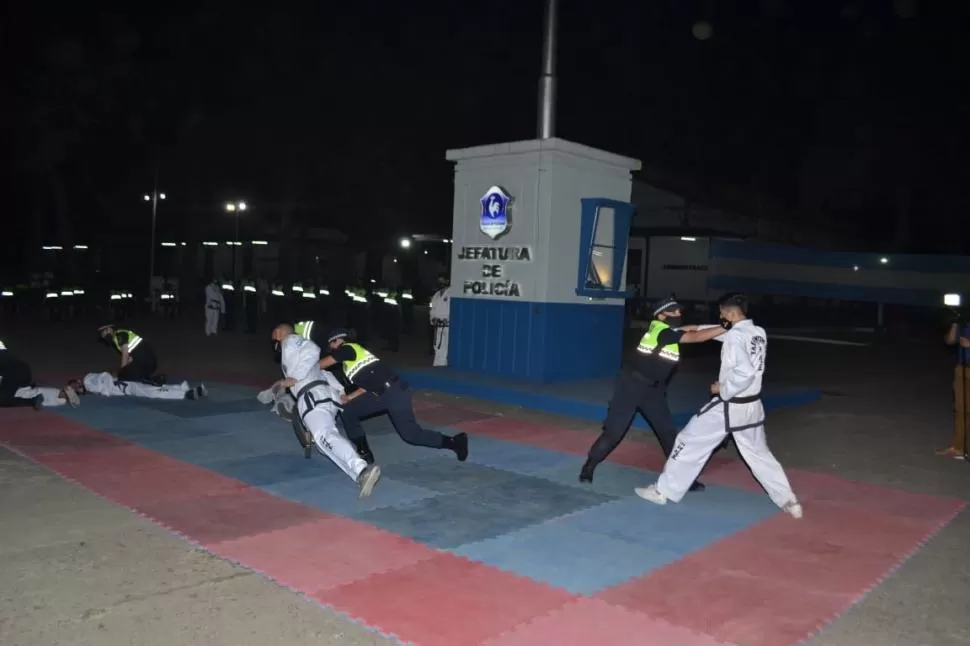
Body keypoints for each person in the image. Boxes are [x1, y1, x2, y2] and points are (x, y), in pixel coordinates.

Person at [634, 293, 803, 519]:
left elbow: (745, 372)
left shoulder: (735, 338)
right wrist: (684, 329)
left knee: (687, 440)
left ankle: (662, 491)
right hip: (752, 408)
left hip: (729, 406)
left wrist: (722, 388)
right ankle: (789, 500)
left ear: (731, 313)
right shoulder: (756, 332)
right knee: (760, 455)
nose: (720, 317)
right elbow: (711, 331)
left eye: (722, 313)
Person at [579, 296, 726, 488]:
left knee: (668, 434)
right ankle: (588, 467)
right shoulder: (663, 333)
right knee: (614, 433)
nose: (678, 314)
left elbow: (692, 328)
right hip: (631, 387)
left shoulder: (665, 328)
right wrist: (728, 327)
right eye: (673, 311)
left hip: (653, 391)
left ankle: (681, 478)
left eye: (679, 310)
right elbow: (696, 337)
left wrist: (721, 325)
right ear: (662, 315)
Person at [319, 329, 469, 463]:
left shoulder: (348, 349)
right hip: (379, 393)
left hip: (394, 392)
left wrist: (301, 366)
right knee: (348, 410)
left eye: (331, 345)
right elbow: (369, 382)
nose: (331, 350)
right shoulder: (350, 361)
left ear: (337, 340)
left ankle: (455, 442)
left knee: (411, 435)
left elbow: (321, 364)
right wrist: (350, 398)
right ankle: (364, 453)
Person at [270, 325, 382, 498]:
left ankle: (361, 468)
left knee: (324, 435)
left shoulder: (290, 341)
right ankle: (359, 476)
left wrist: (295, 377)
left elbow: (312, 349)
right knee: (323, 443)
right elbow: (322, 372)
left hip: (313, 396)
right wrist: (341, 392)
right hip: (322, 395)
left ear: (278, 334)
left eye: (274, 338)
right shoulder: (294, 355)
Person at [0, 340, 80, 409]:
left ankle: (32, 400)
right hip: (22, 372)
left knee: (5, 398)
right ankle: (62, 394)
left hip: (13, 378)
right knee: (24, 389)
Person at [940, 316, 970, 458]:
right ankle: (959, 447)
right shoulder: (965, 324)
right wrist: (955, 323)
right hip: (962, 368)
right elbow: (950, 340)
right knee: (961, 409)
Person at [97, 324, 163, 384]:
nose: (104, 337)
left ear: (109, 329)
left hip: (146, 363)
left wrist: (122, 371)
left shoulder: (119, 335)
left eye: (103, 333)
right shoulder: (117, 337)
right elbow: (130, 359)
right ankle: (143, 377)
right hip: (148, 362)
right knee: (125, 374)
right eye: (102, 336)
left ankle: (152, 380)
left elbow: (125, 355)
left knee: (123, 377)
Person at [69, 372, 207, 401]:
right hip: (126, 386)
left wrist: (106, 391)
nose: (79, 391)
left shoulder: (88, 380)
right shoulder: (90, 387)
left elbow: (105, 375)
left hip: (126, 385)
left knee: (152, 392)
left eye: (76, 388)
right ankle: (183, 388)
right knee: (153, 388)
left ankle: (185, 394)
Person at [429, 273, 451, 367]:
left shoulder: (452, 293)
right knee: (437, 345)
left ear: (447, 281)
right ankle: (437, 364)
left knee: (446, 345)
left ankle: (443, 364)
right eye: (439, 281)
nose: (440, 283)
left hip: (447, 324)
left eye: (442, 281)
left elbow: (453, 309)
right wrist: (433, 318)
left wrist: (448, 319)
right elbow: (432, 309)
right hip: (438, 324)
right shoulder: (436, 294)